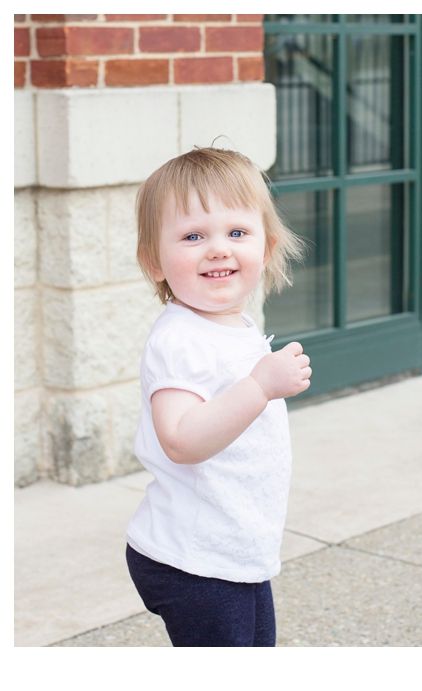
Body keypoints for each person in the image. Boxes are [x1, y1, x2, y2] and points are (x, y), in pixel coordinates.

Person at [125, 147, 310, 646]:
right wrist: (260, 386)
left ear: (265, 249)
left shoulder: (233, 325)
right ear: (153, 262)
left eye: (236, 233)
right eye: (192, 236)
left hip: (234, 549)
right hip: (193, 559)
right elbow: (181, 439)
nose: (218, 249)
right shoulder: (180, 339)